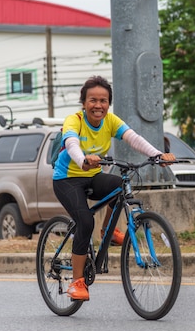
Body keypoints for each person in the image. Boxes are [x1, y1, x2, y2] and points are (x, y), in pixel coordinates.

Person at [52, 75, 175, 301]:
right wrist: (83, 160)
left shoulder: (110, 121)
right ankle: (77, 282)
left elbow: (134, 138)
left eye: (103, 100)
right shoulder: (75, 120)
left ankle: (107, 229)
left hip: (92, 175)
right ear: (84, 102)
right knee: (85, 221)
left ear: (109, 103)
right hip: (67, 179)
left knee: (120, 186)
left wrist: (157, 155)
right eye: (93, 100)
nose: (98, 105)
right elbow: (71, 143)